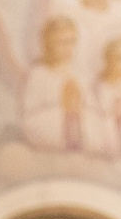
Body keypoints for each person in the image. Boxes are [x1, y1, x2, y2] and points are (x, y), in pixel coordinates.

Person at [19, 15, 86, 152]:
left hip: (79, 138)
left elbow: (92, 110)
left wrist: (78, 111)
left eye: (71, 42)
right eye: (62, 42)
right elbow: (29, 119)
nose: (68, 48)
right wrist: (65, 110)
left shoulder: (78, 74)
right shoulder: (38, 75)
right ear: (49, 44)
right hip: (49, 140)